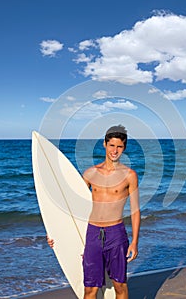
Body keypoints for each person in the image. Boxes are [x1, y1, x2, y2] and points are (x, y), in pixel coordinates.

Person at [47, 125, 140, 299]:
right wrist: (55, 233)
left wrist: (135, 241)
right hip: (93, 233)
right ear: (104, 144)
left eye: (119, 146)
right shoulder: (90, 173)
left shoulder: (129, 175)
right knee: (90, 288)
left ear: (124, 148)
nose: (115, 150)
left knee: (120, 284)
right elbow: (72, 206)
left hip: (116, 233)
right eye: (111, 145)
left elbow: (135, 210)